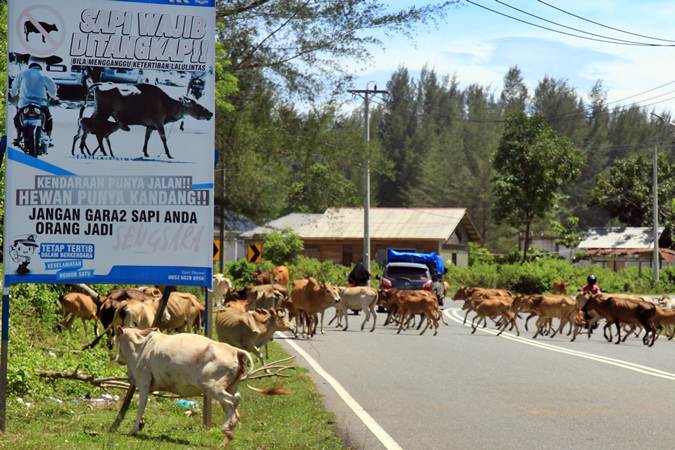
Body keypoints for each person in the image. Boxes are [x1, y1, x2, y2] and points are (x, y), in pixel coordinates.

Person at [11, 58, 58, 146]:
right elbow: (52, 89)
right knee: (48, 119)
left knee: (17, 118)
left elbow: (14, 86)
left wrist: (14, 93)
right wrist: (53, 96)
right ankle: (49, 138)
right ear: (40, 66)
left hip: (24, 103)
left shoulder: (23, 73)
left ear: (30, 66)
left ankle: (18, 136)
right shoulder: (44, 75)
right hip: (41, 104)